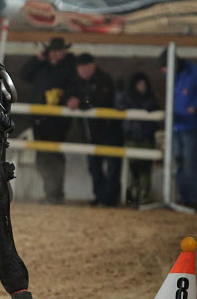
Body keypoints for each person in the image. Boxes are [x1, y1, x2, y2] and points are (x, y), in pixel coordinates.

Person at [20, 37, 77, 204]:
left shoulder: (69, 67)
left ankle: (56, 193)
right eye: (53, 51)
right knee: (42, 155)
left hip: (58, 120)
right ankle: (50, 192)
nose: (56, 54)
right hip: (39, 117)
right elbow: (24, 74)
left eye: (59, 51)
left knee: (54, 154)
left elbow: (74, 87)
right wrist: (38, 59)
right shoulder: (42, 66)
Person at [160, 50, 197, 211]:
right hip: (176, 125)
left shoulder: (194, 71)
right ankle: (184, 198)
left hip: (192, 126)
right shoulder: (175, 74)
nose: (163, 72)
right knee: (179, 162)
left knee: (189, 163)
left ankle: (195, 200)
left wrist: (195, 105)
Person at [66, 53, 123, 206]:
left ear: (93, 66)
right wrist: (71, 100)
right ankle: (100, 195)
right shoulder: (75, 81)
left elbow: (102, 100)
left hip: (109, 130)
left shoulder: (104, 80)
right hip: (89, 132)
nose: (83, 70)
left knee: (112, 166)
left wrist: (81, 102)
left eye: (85, 67)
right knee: (94, 166)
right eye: (80, 68)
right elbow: (70, 94)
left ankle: (110, 198)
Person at [119, 72, 160, 205]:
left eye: (144, 84)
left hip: (145, 138)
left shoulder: (151, 100)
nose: (142, 87)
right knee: (133, 166)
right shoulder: (127, 99)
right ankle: (133, 192)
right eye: (139, 84)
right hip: (132, 137)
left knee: (144, 167)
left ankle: (143, 194)